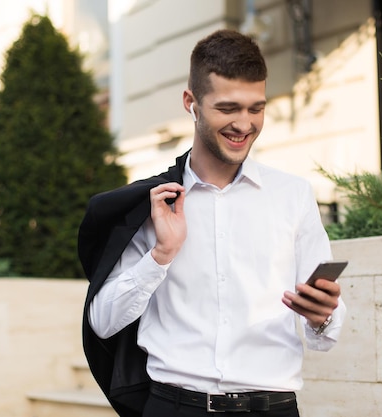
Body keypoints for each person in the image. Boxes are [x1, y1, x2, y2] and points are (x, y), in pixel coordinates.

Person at [78, 29, 346, 417]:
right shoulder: (155, 204)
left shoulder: (293, 195)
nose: (244, 124)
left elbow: (325, 334)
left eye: (257, 108)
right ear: (192, 103)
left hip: (271, 407)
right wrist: (161, 255)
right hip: (174, 406)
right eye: (228, 108)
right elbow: (102, 323)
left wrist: (322, 317)